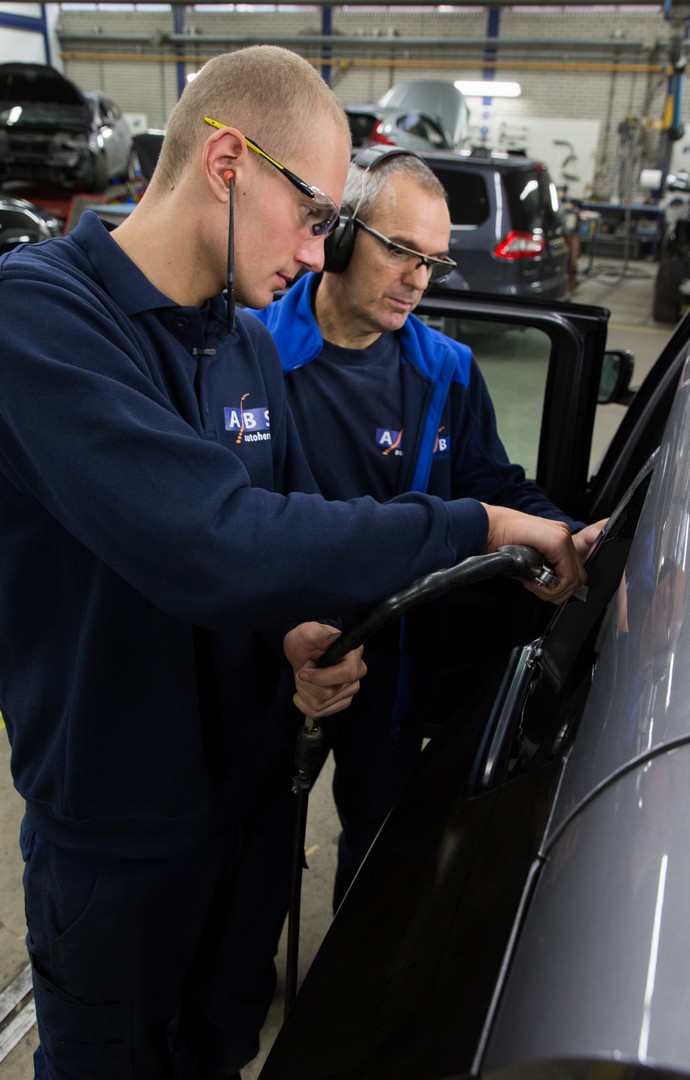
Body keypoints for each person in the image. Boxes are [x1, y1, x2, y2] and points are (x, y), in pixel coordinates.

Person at [0, 46, 587, 1080]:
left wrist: (290, 642)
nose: (323, 256)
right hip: (120, 836)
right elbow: (215, 543)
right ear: (228, 162)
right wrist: (476, 525)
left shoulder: (245, 347)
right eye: (316, 216)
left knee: (223, 1052)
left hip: (254, 809)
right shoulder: (38, 321)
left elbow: (262, 542)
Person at [250, 146, 604, 910]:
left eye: (433, 262)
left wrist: (565, 533)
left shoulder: (445, 367)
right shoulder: (252, 355)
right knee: (248, 840)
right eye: (403, 250)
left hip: (394, 658)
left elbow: (489, 484)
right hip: (268, 660)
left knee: (382, 845)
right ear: (340, 235)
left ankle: (348, 998)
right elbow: (219, 525)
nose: (417, 277)